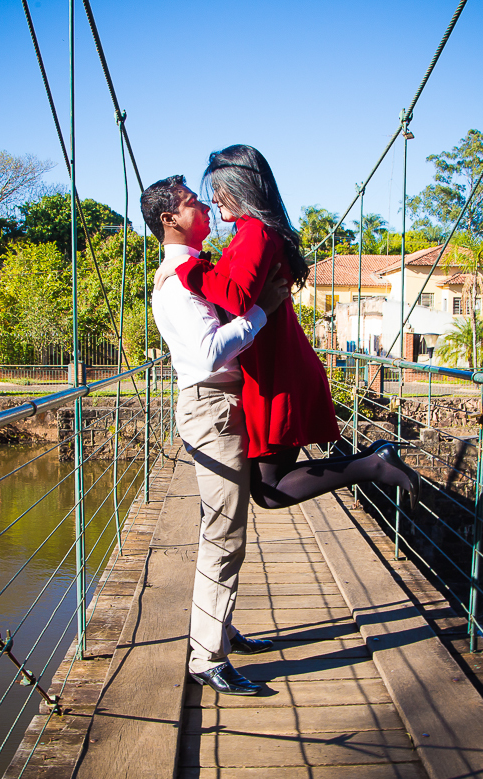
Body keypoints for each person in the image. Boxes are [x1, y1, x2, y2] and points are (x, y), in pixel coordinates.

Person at [156, 144, 418, 511]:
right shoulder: (250, 233)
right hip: (274, 369)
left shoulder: (256, 233)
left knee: (270, 490)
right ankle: (373, 461)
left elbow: (237, 297)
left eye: (218, 189)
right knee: (267, 488)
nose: (214, 200)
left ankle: (374, 464)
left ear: (241, 186)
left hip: (279, 373)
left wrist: (184, 268)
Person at [142, 174, 291, 696]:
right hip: (212, 409)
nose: (202, 205)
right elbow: (208, 354)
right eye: (189, 202)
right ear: (169, 220)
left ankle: (219, 627)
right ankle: (207, 657)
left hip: (227, 406)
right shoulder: (179, 278)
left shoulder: (199, 270)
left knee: (230, 526)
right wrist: (263, 311)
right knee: (223, 533)